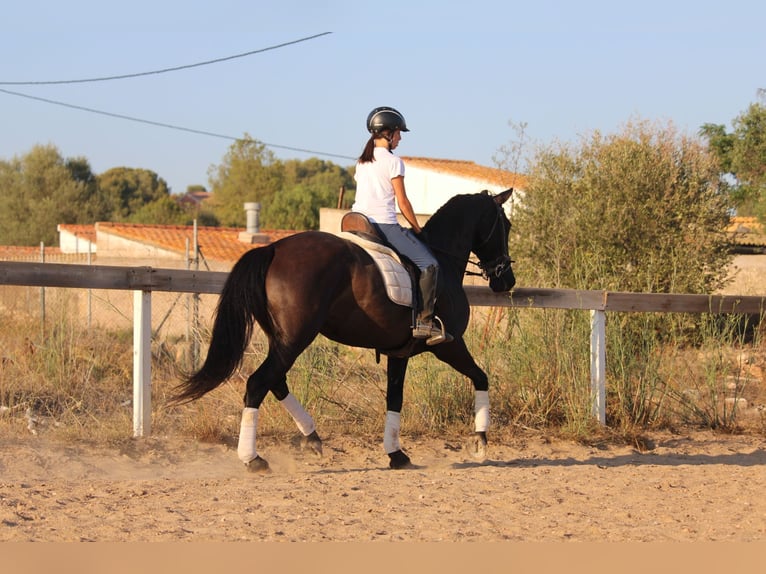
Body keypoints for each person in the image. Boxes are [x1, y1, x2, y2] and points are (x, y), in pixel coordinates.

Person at [352, 106, 452, 346]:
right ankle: (425, 322)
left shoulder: (362, 162)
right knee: (430, 264)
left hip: (357, 222)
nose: (400, 137)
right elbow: (403, 202)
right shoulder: (394, 162)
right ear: (387, 133)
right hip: (383, 225)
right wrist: (417, 229)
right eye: (398, 132)